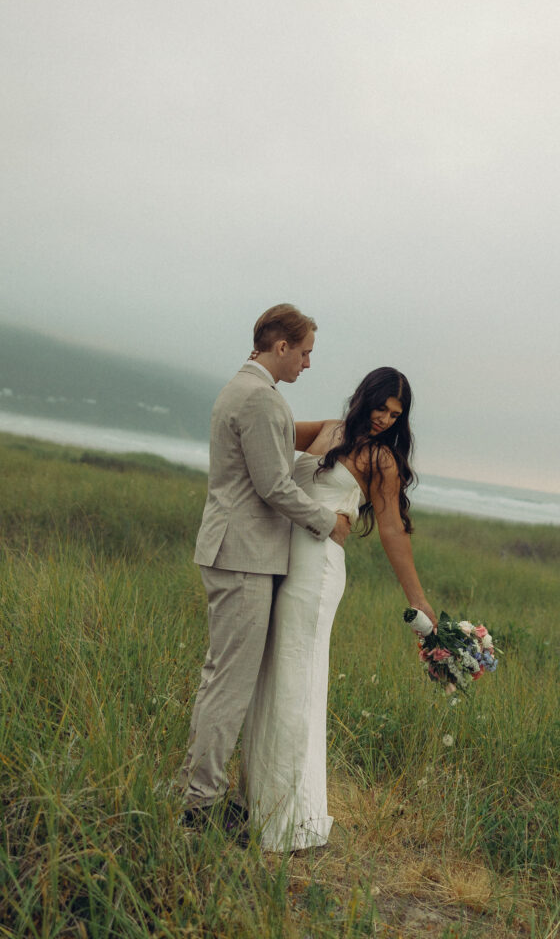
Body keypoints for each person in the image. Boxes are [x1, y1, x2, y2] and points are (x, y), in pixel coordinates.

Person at [241, 367, 437, 852]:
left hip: (317, 570)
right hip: (282, 560)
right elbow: (267, 437)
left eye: (395, 415)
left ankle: (288, 820)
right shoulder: (328, 430)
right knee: (271, 676)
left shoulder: (382, 460)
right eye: (381, 408)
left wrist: (419, 600)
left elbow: (392, 531)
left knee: (297, 679)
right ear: (365, 397)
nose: (385, 420)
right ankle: (255, 802)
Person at [178, 304, 351, 833]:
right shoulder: (258, 399)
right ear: (281, 347)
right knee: (229, 684)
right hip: (243, 556)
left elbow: (272, 470)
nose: (307, 363)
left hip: (238, 551)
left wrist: (325, 444)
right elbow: (272, 487)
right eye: (305, 352)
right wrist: (327, 519)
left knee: (224, 679)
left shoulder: (249, 392)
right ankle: (200, 803)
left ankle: (200, 791)